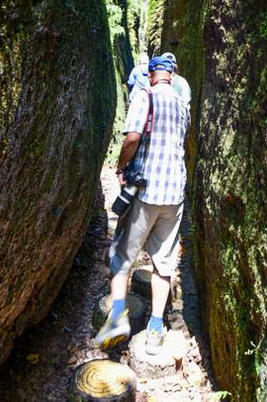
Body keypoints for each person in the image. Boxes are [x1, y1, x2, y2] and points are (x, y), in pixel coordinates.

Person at [94, 55, 190, 355]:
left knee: (123, 254)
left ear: (150, 75)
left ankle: (118, 316)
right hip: (174, 194)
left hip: (145, 193)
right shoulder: (182, 106)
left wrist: (121, 166)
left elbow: (133, 137)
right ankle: (155, 328)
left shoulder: (144, 97)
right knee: (163, 263)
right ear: (171, 76)